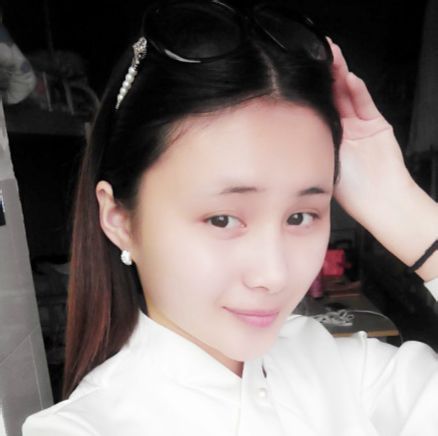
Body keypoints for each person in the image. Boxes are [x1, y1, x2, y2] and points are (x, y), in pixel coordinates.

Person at [23, 1, 438, 435]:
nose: (273, 275)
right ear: (119, 219)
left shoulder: (348, 373)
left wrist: (400, 205)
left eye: (301, 216)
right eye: (222, 220)